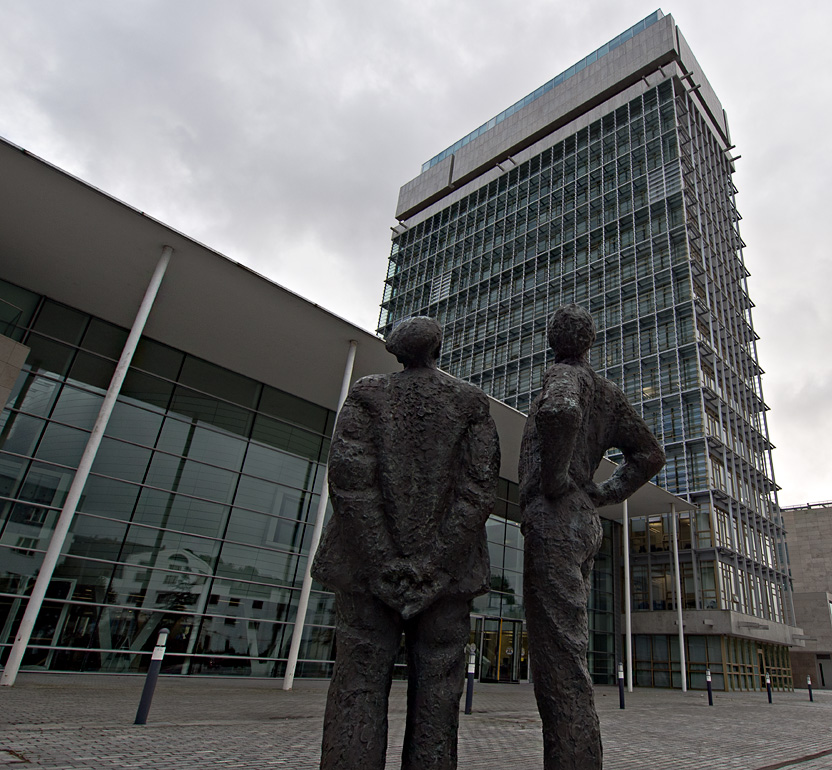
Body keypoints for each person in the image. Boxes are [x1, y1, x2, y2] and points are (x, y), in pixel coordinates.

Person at [312, 316, 500, 770]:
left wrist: (381, 562)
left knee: (357, 681)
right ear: (437, 350)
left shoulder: (367, 393)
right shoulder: (470, 402)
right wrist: (435, 565)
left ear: (396, 352)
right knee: (438, 691)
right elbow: (478, 489)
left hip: (366, 571)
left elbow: (350, 480)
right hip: (445, 578)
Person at [519, 304, 665, 770]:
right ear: (591, 341)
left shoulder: (564, 375)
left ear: (553, 339)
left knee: (559, 657)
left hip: (558, 514)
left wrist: (557, 478)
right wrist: (604, 494)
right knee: (571, 646)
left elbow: (560, 412)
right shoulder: (610, 393)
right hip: (583, 520)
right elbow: (649, 455)